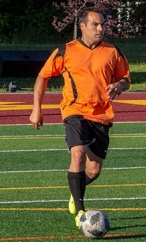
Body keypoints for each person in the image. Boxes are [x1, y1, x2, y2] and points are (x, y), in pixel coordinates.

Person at [29, 7, 131, 227]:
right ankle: (81, 212)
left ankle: (76, 193)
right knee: (77, 154)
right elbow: (43, 76)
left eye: (103, 24)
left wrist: (120, 85)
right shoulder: (66, 51)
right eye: (95, 24)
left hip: (102, 115)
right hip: (74, 110)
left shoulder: (113, 51)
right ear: (82, 26)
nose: (101, 28)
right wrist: (37, 108)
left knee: (93, 170)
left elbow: (126, 79)